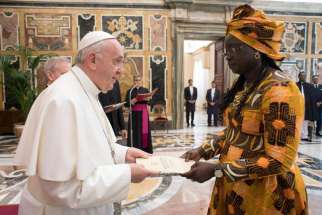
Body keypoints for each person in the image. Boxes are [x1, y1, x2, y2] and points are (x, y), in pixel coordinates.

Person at [14, 31, 158, 215]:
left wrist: (123, 154)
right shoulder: (64, 100)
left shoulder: (85, 91)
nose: (122, 71)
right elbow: (61, 188)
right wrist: (127, 174)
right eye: (117, 61)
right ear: (92, 60)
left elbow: (93, 145)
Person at [181, 5, 308, 214]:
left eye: (234, 49)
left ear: (256, 51)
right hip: (235, 186)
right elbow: (235, 133)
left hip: (267, 194)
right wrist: (202, 150)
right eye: (227, 50)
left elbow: (278, 161)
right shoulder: (246, 86)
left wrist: (218, 171)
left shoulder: (280, 91)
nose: (227, 56)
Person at [125, 75, 153, 153]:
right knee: (135, 131)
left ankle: (145, 149)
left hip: (143, 113)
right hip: (134, 114)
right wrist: (131, 101)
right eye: (136, 80)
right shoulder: (130, 91)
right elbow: (126, 104)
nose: (137, 82)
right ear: (133, 81)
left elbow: (150, 102)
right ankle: (134, 147)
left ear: (142, 81)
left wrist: (148, 99)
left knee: (144, 131)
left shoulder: (145, 90)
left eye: (139, 80)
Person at [296, 71, 316, 141]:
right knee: (298, 120)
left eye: (304, 76)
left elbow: (312, 96)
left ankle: (304, 135)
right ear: (299, 77)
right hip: (298, 105)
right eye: (302, 76)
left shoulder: (309, 86)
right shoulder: (295, 85)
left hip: (307, 106)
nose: (303, 77)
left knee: (306, 120)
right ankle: (298, 135)